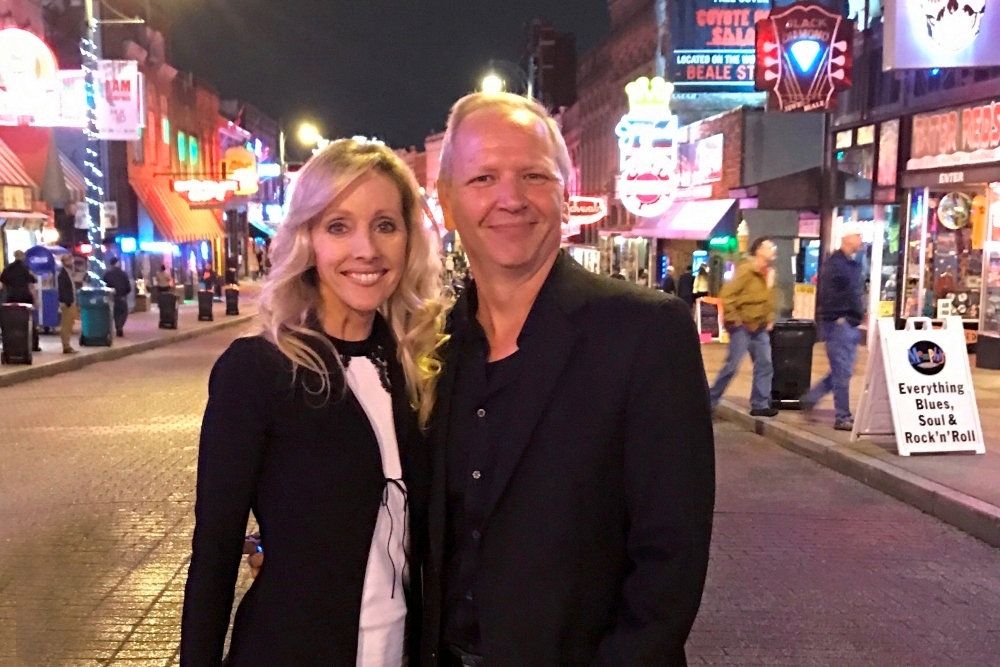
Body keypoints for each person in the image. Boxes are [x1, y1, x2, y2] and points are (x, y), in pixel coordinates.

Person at [422, 93, 714, 666]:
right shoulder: (431, 346)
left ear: (563, 192)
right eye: (483, 178)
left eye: (533, 175)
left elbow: (670, 560)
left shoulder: (647, 333)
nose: (510, 198)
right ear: (447, 204)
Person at [180, 139, 445, 666]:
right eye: (338, 226)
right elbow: (215, 549)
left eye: (385, 225)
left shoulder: (419, 365)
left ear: (409, 240)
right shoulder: (258, 371)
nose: (366, 249)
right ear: (308, 239)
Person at [802, 223, 865, 430]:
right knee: (842, 372)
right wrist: (838, 317)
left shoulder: (847, 264)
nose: (860, 240)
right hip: (840, 325)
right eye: (857, 235)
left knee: (843, 371)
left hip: (848, 323)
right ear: (846, 239)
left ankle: (812, 398)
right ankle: (842, 416)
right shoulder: (836, 265)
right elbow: (828, 294)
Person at [709, 237, 779, 417]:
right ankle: (709, 401)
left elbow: (769, 300)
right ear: (758, 250)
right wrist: (735, 319)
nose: (773, 250)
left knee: (765, 363)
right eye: (769, 247)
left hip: (760, 325)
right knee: (732, 365)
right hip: (742, 325)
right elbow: (727, 295)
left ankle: (760, 404)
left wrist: (769, 318)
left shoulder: (769, 273)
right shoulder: (746, 270)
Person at [102, 257, 132, 337]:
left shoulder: (107, 274)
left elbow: (104, 285)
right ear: (117, 263)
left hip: (111, 297)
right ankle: (120, 326)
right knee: (123, 312)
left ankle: (117, 325)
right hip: (121, 296)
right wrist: (125, 292)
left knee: (115, 313)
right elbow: (128, 286)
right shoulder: (123, 273)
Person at [57, 254, 78, 354]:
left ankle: (67, 344)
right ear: (64, 262)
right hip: (67, 303)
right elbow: (63, 289)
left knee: (70, 324)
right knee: (66, 324)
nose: (71, 261)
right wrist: (67, 302)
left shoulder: (69, 273)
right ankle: (66, 345)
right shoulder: (63, 274)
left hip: (71, 302)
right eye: (69, 260)